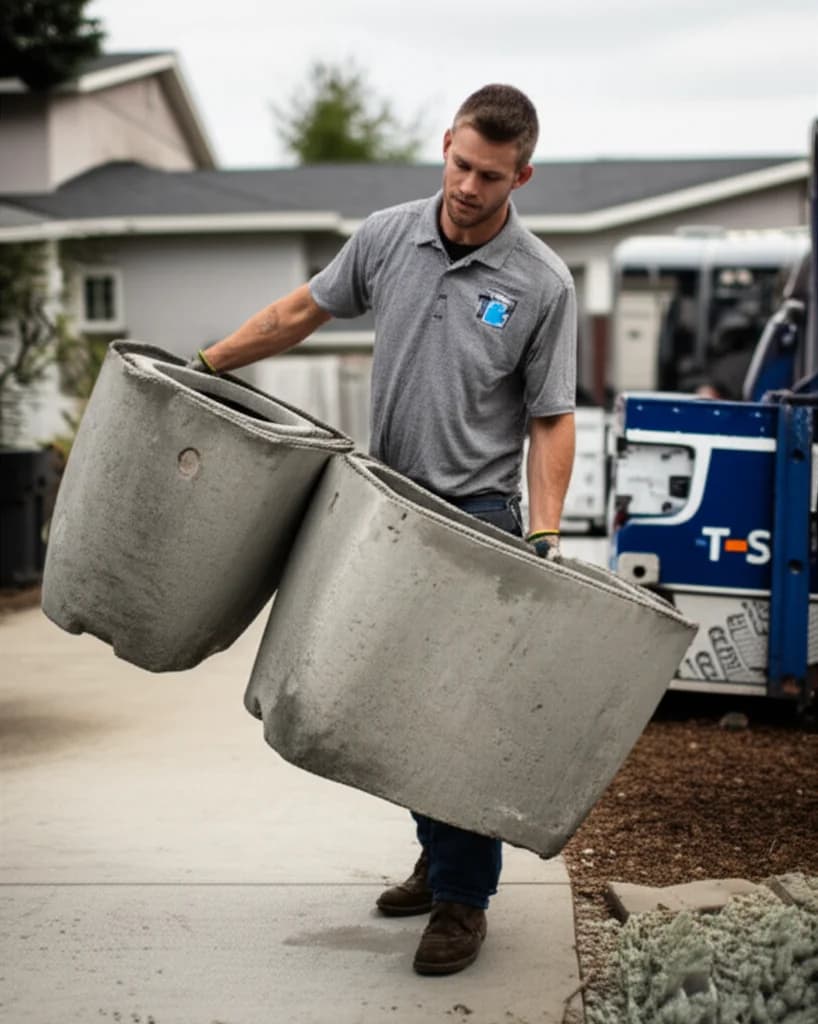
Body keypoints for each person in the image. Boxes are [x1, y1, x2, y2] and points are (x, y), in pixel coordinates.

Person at [190, 83, 577, 976]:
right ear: (445, 143)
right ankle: (441, 857)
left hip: (475, 522)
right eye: (460, 164)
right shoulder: (387, 236)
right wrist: (207, 364)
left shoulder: (540, 283)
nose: (470, 187)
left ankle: (463, 901)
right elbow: (298, 313)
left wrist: (545, 534)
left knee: (454, 721)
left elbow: (552, 416)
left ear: (524, 175)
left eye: (491, 176)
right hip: (382, 508)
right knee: (388, 707)